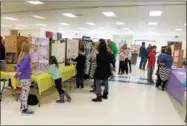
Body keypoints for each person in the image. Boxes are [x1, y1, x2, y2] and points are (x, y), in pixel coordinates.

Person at [14, 42, 34, 115]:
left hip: (22, 78)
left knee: (23, 93)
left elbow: (18, 66)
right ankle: (25, 110)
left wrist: (17, 74)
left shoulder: (21, 56)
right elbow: (22, 68)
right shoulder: (27, 56)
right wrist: (18, 73)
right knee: (25, 94)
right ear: (28, 48)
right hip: (26, 77)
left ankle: (22, 107)